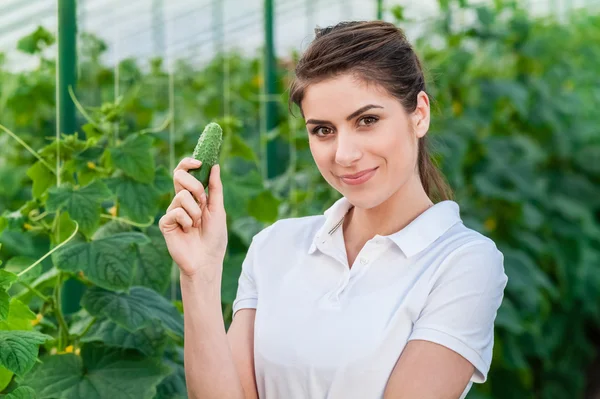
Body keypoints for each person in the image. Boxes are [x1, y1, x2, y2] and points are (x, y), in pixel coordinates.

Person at [159, 20, 508, 399]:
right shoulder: (273, 247)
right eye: (323, 130)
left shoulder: (463, 263)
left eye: (367, 121)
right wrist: (200, 275)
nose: (344, 155)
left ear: (419, 114)